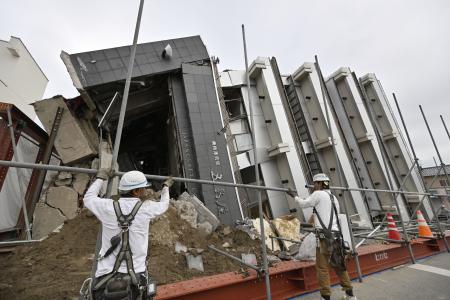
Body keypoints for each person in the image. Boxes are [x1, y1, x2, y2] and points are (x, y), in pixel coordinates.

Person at [83, 169, 173, 299]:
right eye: (143, 188)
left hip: (105, 275)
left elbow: (88, 198)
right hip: (135, 275)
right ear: (135, 191)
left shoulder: (107, 207)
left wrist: (101, 178)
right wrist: (166, 187)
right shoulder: (146, 208)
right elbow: (164, 205)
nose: (145, 191)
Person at [287, 173, 356, 300]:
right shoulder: (333, 197)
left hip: (324, 238)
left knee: (322, 268)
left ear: (319, 184)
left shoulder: (318, 194)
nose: (314, 186)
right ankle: (350, 295)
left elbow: (303, 204)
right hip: (336, 236)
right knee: (339, 266)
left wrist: (294, 196)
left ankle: (325, 297)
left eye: (315, 184)